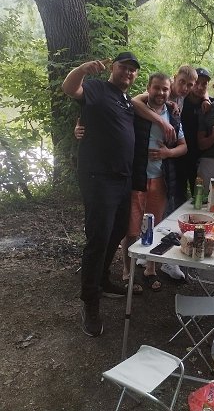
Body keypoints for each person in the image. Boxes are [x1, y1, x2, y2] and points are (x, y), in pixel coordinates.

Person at [62, 52, 140, 338]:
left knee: (117, 230)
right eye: (124, 67)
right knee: (98, 238)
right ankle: (90, 301)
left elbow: (147, 100)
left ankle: (103, 280)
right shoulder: (96, 88)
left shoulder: (126, 100)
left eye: (132, 70)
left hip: (122, 178)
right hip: (99, 177)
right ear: (113, 68)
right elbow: (70, 88)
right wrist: (83, 68)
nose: (128, 73)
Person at [131, 64, 197, 280]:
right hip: (138, 173)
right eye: (182, 82)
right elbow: (133, 102)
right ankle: (133, 265)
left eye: (190, 85)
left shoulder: (178, 108)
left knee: (159, 219)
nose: (185, 87)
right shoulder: (144, 106)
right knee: (134, 222)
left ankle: (155, 263)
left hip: (165, 173)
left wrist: (167, 153)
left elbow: (183, 145)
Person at [175, 68, 214, 200]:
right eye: (197, 83)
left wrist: (206, 99)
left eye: (204, 84)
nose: (200, 87)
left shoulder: (210, 104)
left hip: (200, 159)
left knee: (200, 198)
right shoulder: (180, 100)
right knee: (178, 196)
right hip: (179, 157)